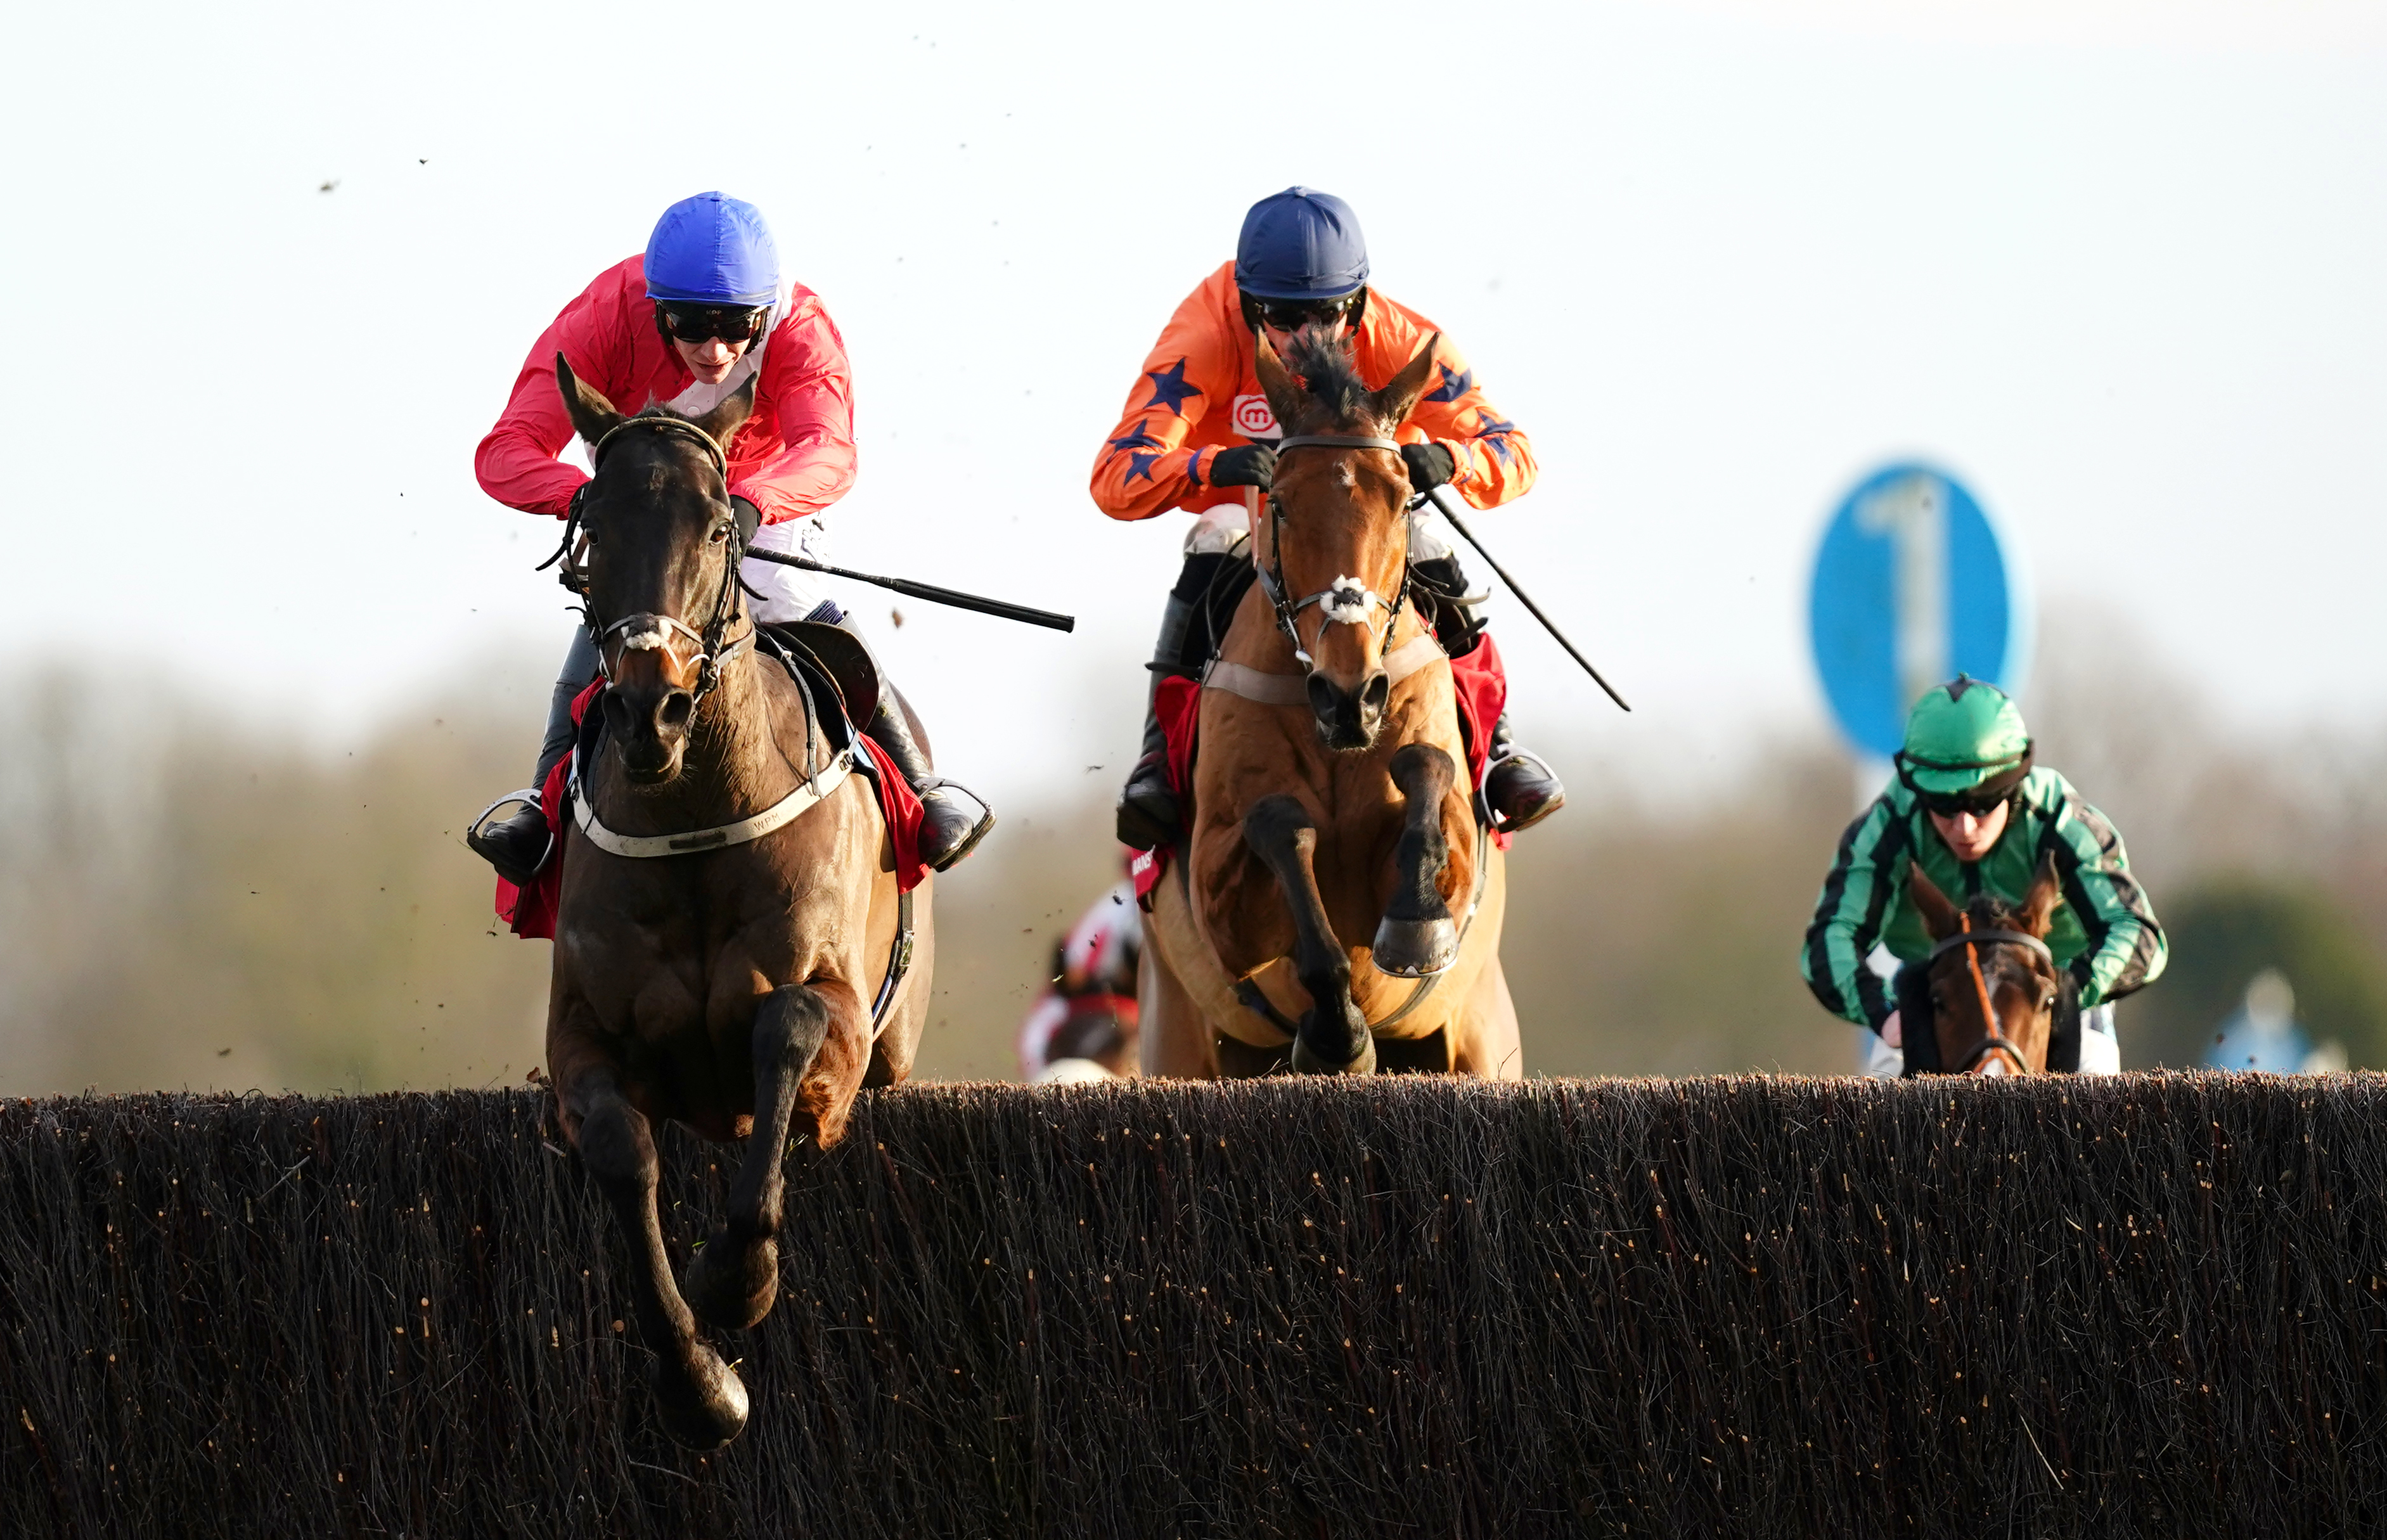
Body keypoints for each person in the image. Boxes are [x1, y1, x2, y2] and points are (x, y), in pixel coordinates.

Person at [466, 191, 991, 883]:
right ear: (655, 306)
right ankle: (540, 804)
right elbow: (506, 450)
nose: (714, 349)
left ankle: (921, 787)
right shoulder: (603, 315)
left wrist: (754, 503)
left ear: (765, 310)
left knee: (783, 589)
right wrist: (590, 499)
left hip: (762, 497)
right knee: (627, 607)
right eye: (688, 323)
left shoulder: (802, 328)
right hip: (645, 500)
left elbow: (830, 450)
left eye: (738, 325)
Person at [1090, 186, 1565, 850]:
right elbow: (1116, 477)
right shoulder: (1206, 333)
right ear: (1247, 302)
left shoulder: (1403, 339)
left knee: (1426, 539)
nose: (1306, 337)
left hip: (1362, 519)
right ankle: (1157, 760)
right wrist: (1209, 466)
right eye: (1282, 317)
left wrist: (1452, 459)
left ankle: (1498, 748)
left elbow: (1515, 453)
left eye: (1327, 314)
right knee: (1216, 533)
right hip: (1259, 511)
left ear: (1359, 302)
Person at [1802, 676, 2166, 1074]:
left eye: (1982, 804)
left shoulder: (2060, 820)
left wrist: (2069, 989)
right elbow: (1829, 939)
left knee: (2097, 1082)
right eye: (1944, 805)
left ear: (2012, 786)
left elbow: (2137, 932)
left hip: (2047, 987)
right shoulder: (1889, 825)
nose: (1964, 828)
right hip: (1939, 995)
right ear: (1919, 791)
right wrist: (1882, 1012)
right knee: (1882, 1093)